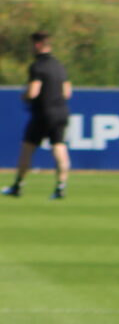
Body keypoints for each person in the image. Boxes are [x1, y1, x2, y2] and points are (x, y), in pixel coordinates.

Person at [7, 31, 71, 199]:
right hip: (61, 112)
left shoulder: (37, 66)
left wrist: (25, 96)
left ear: (37, 45)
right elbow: (67, 92)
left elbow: (33, 92)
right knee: (59, 147)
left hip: (43, 113)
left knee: (27, 149)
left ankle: (17, 186)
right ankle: (60, 187)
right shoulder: (59, 66)